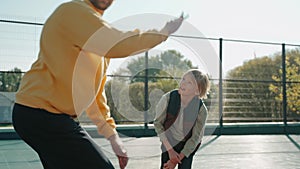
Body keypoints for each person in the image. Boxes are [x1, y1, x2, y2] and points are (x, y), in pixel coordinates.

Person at [12, 0, 184, 169]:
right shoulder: (73, 11)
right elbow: (119, 43)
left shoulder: (97, 35)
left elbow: (95, 95)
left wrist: (112, 137)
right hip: (40, 114)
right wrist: (163, 33)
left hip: (49, 117)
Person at [154, 69, 210, 169]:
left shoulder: (201, 110)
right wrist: (170, 152)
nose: (183, 83)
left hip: (188, 146)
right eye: (183, 79)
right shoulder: (168, 99)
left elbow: (195, 138)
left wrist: (176, 160)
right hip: (169, 141)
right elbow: (158, 124)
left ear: (197, 90)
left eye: (189, 82)